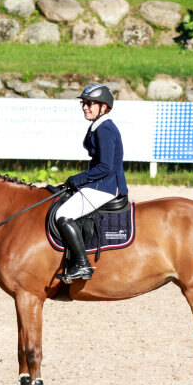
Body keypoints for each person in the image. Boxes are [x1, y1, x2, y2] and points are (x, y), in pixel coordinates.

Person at [55, 83, 127, 282]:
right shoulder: (99, 125)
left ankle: (82, 265)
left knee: (63, 214)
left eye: (90, 103)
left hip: (106, 187)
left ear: (104, 107)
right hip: (102, 183)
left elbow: (105, 167)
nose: (85, 107)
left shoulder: (105, 129)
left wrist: (77, 179)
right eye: (84, 103)